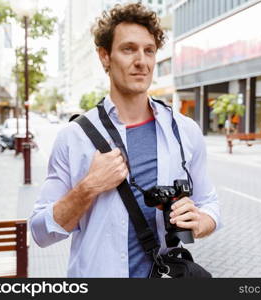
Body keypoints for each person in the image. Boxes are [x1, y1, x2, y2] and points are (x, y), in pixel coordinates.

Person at [29, 3, 220, 278]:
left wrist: (202, 221)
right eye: (129, 49)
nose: (141, 61)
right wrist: (88, 187)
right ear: (105, 56)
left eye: (149, 50)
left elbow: (210, 203)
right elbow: (40, 231)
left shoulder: (184, 131)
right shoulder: (74, 138)